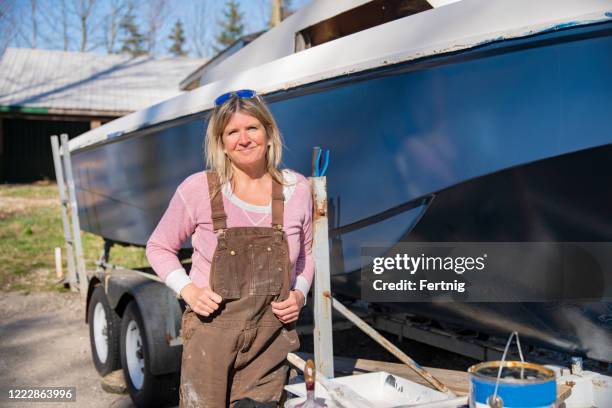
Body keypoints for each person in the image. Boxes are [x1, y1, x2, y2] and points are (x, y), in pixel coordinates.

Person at [145, 89, 314, 407]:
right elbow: (158, 246)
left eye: (252, 128)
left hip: (271, 336)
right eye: (232, 132)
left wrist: (299, 294)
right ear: (221, 142)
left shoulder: (297, 189)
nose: (244, 139)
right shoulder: (198, 189)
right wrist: (189, 291)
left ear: (268, 132)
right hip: (212, 332)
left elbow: (306, 252)